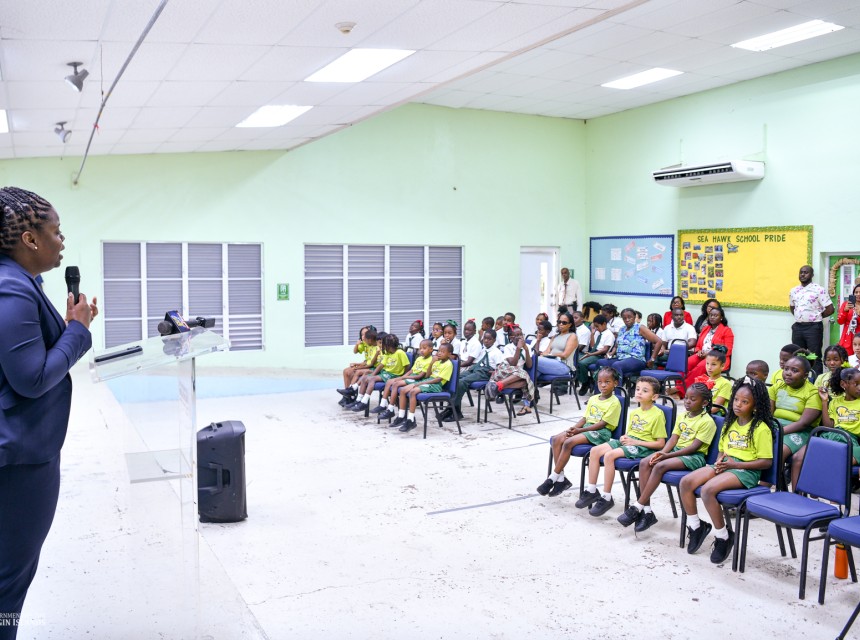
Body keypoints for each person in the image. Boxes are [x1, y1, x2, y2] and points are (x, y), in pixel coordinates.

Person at [0, 187, 97, 638]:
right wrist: (77, 331)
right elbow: (32, 378)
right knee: (9, 580)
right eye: (55, 232)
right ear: (30, 239)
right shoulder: (12, 288)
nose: (62, 241)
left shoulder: (20, 283)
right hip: (18, 460)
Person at [678, 377, 774, 563]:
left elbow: (765, 462)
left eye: (745, 402)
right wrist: (720, 460)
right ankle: (696, 526)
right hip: (727, 465)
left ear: (755, 406)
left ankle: (723, 536)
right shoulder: (729, 422)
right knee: (686, 482)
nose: (738, 404)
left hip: (746, 471)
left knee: (708, 490)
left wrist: (734, 465)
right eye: (736, 399)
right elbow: (722, 449)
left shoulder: (761, 428)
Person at [617, 383, 716, 532]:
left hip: (694, 457)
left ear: (704, 403)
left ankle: (638, 506)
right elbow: (673, 439)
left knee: (660, 466)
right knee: (645, 462)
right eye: (686, 398)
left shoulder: (707, 421)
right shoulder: (683, 416)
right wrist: (661, 453)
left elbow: (694, 447)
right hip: (676, 452)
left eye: (693, 399)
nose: (687, 401)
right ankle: (647, 511)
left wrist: (667, 456)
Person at [577, 377, 666, 517]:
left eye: (645, 391)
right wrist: (624, 437)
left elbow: (660, 444)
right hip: (631, 442)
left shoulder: (658, 414)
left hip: (643, 447)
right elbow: (631, 433)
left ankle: (606, 497)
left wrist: (636, 442)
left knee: (609, 455)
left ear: (654, 397)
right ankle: (592, 490)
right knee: (595, 451)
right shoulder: (635, 412)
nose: (639, 392)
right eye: (637, 389)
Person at [536, 367, 621, 497]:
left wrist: (580, 431)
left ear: (615, 383)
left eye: (607, 382)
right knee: (556, 439)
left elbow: (602, 424)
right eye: (600, 382)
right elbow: (585, 418)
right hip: (586, 428)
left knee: (568, 442)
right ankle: (561, 479)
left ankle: (552, 478)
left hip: (601, 432)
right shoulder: (593, 398)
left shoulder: (615, 402)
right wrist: (573, 429)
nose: (603, 385)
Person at [770, 351, 822, 489]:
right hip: (776, 426)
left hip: (800, 431)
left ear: (805, 375)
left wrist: (778, 432)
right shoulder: (777, 387)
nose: (788, 373)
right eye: (786, 369)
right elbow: (768, 415)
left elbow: (803, 423)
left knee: (778, 450)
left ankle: (770, 486)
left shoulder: (813, 393)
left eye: (794, 370)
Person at [442, 329, 505, 422]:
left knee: (461, 382)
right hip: (476, 369)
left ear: (494, 340)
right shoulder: (483, 350)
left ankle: (455, 411)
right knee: (454, 379)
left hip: (485, 373)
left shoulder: (497, 352)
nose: (486, 341)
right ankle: (451, 407)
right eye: (485, 338)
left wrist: (493, 372)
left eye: (489, 339)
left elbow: (500, 368)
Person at [395, 342, 454, 433]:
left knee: (413, 392)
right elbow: (427, 375)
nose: (439, 353)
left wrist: (421, 383)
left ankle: (411, 420)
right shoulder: (437, 361)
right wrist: (431, 363)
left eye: (443, 352)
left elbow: (438, 380)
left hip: (436, 385)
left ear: (449, 354)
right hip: (428, 381)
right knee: (403, 390)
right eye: (439, 351)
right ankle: (401, 416)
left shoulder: (448, 364)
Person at [595, 308, 661, 383]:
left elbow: (658, 341)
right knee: (600, 362)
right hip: (621, 358)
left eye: (629, 317)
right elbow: (617, 345)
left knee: (617, 365)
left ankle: (617, 390)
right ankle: (600, 389)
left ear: (634, 317)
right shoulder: (622, 329)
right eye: (624, 318)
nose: (627, 320)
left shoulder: (640, 328)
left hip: (636, 359)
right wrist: (611, 353)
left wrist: (652, 359)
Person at [789, 265, 833, 375]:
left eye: (806, 272)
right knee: (798, 355)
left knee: (813, 356)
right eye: (801, 272)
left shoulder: (819, 290)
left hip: (813, 328)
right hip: (798, 327)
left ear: (812, 275)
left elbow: (830, 309)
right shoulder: (794, 291)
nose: (803, 274)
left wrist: (816, 316)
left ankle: (815, 381)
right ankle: (800, 378)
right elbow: (792, 307)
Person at [350, 333, 409, 413]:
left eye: (383, 344)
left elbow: (407, 365)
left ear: (388, 345)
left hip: (394, 375)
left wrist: (402, 376)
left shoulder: (400, 352)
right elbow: (381, 365)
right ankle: (359, 400)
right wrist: (372, 374)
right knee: (365, 378)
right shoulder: (387, 353)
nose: (382, 347)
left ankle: (364, 402)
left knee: (372, 379)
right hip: (385, 373)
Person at [377, 339, 434, 421]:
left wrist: (404, 377)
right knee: (391, 382)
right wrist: (403, 376)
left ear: (431, 349)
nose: (421, 350)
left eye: (424, 348)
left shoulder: (430, 360)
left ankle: (391, 409)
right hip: (412, 377)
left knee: (396, 384)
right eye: (420, 348)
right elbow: (411, 371)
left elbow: (420, 376)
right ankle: (389, 408)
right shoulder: (419, 359)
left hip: (417, 379)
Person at [484, 325, 535, 416]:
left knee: (525, 382)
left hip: (516, 375)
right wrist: (518, 348)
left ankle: (498, 386)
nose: (520, 337)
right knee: (523, 374)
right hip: (505, 371)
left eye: (521, 334)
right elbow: (513, 363)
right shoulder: (508, 347)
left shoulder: (527, 347)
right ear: (511, 338)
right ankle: (499, 385)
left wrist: (526, 350)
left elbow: (529, 365)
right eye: (517, 335)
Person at [683, 305, 734, 392]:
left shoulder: (726, 330)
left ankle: (682, 390)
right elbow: (698, 345)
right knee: (685, 363)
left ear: (721, 318)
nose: (712, 317)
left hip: (718, 359)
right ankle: (683, 387)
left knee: (700, 367)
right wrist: (699, 351)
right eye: (711, 315)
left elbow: (728, 350)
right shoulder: (705, 328)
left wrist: (710, 353)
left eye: (716, 315)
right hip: (702, 355)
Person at [818, 367, 860, 465]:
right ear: (843, 384)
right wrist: (824, 401)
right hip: (830, 436)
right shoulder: (835, 402)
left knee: (838, 462)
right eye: (856, 384)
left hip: (850, 440)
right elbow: (828, 426)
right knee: (810, 454)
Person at [576, 314, 614, 395]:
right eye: (595, 326)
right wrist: (592, 334)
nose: (596, 328)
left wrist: (591, 354)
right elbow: (592, 345)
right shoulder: (597, 333)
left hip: (600, 356)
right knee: (575, 360)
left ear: (604, 324)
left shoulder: (609, 334)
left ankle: (585, 383)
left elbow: (605, 350)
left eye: (597, 326)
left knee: (582, 363)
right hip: (593, 353)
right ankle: (587, 379)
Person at [538, 311, 578, 376]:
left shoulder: (572, 336)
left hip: (563, 365)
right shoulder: (555, 336)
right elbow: (546, 351)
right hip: (550, 362)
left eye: (564, 323)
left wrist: (551, 354)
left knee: (535, 361)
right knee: (533, 371)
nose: (561, 324)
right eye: (559, 322)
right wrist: (543, 354)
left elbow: (565, 355)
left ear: (570, 325)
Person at [837, 283, 860, 351]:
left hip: (859, 336)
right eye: (856, 292)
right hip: (848, 338)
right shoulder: (846, 304)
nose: (858, 294)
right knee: (847, 356)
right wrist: (845, 311)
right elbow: (840, 321)